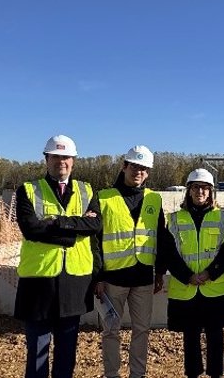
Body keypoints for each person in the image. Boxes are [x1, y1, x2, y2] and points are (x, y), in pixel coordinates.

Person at [14, 134, 101, 378]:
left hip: (74, 283)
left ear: (73, 160)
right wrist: (73, 233)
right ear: (46, 159)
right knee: (37, 351)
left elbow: (95, 226)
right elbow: (31, 229)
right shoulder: (28, 190)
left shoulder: (87, 190)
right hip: (39, 283)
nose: (60, 162)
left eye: (66, 157)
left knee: (67, 352)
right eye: (55, 157)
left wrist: (57, 222)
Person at [93, 145, 167, 378]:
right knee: (111, 331)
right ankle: (111, 374)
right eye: (135, 166)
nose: (139, 172)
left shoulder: (154, 199)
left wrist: (159, 273)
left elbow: (161, 237)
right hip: (113, 280)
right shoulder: (104, 197)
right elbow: (94, 241)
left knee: (142, 331)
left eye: (144, 168)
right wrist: (98, 277)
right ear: (124, 166)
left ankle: (138, 374)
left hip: (143, 279)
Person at [161, 168, 224, 378]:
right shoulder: (174, 219)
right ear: (189, 191)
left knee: (215, 336)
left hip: (214, 288)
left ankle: (216, 374)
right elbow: (170, 253)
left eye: (204, 188)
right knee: (190, 337)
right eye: (196, 187)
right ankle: (192, 374)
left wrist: (210, 273)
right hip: (186, 288)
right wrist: (188, 276)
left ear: (211, 192)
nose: (200, 192)